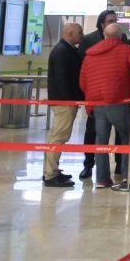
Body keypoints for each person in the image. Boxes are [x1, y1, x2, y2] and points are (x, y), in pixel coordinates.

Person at [79, 23, 130, 189]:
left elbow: (83, 80)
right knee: (126, 138)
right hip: (119, 101)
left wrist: (92, 96)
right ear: (120, 36)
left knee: (100, 140)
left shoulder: (90, 54)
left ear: (104, 34)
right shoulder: (126, 50)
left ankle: (102, 179)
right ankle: (126, 176)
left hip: (97, 104)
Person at [43, 23, 85, 187]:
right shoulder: (62, 52)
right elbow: (62, 80)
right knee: (59, 136)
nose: (82, 35)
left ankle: (51, 169)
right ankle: (50, 174)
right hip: (64, 101)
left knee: (57, 136)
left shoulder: (66, 50)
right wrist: (71, 100)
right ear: (70, 34)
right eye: (79, 32)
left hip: (64, 100)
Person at [77, 9, 117, 180]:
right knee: (92, 132)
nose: (114, 22)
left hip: (115, 95)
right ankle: (88, 164)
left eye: (115, 20)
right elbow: (82, 68)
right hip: (96, 96)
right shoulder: (89, 40)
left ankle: (121, 166)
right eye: (110, 20)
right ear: (102, 24)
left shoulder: (119, 38)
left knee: (120, 132)